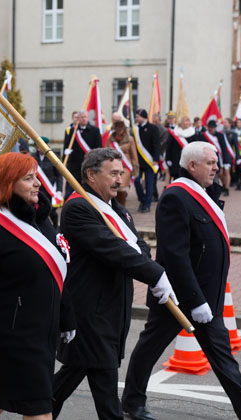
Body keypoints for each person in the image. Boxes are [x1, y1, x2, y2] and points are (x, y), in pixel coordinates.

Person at [122, 142, 241, 420]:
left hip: (206, 296)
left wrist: (206, 298)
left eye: (216, 162)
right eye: (211, 163)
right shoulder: (176, 197)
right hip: (178, 297)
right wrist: (196, 300)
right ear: (192, 166)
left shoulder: (202, 194)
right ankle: (132, 401)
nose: (216, 167)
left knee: (221, 351)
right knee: (149, 348)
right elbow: (175, 256)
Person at [52, 148, 176, 419]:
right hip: (89, 313)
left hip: (112, 310)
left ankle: (27, 412)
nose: (119, 180)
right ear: (91, 175)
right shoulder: (78, 207)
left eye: (121, 173)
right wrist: (154, 274)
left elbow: (137, 245)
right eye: (113, 174)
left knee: (64, 383)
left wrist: (148, 264)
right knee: (107, 392)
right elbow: (112, 249)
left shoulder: (118, 210)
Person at [0, 152, 74, 420]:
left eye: (36, 177)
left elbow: (57, 272)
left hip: (43, 330)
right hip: (11, 336)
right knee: (39, 408)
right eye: (29, 178)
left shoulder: (40, 219)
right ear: (8, 183)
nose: (38, 184)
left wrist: (66, 319)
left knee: (0, 395)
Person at [63, 110, 102, 197]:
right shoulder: (72, 131)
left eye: (85, 117)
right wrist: (66, 154)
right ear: (78, 119)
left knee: (88, 189)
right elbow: (67, 145)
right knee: (70, 189)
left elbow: (99, 148)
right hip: (74, 165)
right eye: (82, 117)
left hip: (89, 165)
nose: (84, 119)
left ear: (88, 118)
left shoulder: (95, 130)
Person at [133, 109, 160, 213]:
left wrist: (156, 159)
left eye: (137, 116)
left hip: (150, 161)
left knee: (149, 184)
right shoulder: (135, 129)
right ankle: (143, 200)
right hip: (138, 162)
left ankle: (147, 205)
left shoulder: (153, 128)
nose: (136, 118)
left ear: (143, 117)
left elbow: (156, 144)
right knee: (136, 181)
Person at [33, 136, 63, 228]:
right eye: (38, 146)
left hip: (50, 190)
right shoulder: (32, 157)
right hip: (37, 189)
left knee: (52, 212)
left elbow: (59, 176)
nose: (39, 148)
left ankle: (55, 228)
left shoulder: (53, 157)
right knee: (38, 210)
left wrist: (59, 190)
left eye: (41, 146)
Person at [107, 119, 138, 206]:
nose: (119, 131)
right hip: (112, 166)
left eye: (121, 129)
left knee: (120, 187)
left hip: (125, 167)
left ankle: (121, 206)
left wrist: (135, 167)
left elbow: (134, 155)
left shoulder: (129, 139)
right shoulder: (111, 138)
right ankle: (114, 206)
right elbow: (106, 151)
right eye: (117, 129)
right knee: (113, 187)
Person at [166, 116, 194, 182]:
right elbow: (169, 147)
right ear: (181, 123)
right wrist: (168, 159)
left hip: (189, 161)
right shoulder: (175, 133)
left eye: (188, 121)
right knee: (177, 179)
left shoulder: (193, 133)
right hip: (176, 161)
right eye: (185, 121)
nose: (187, 123)